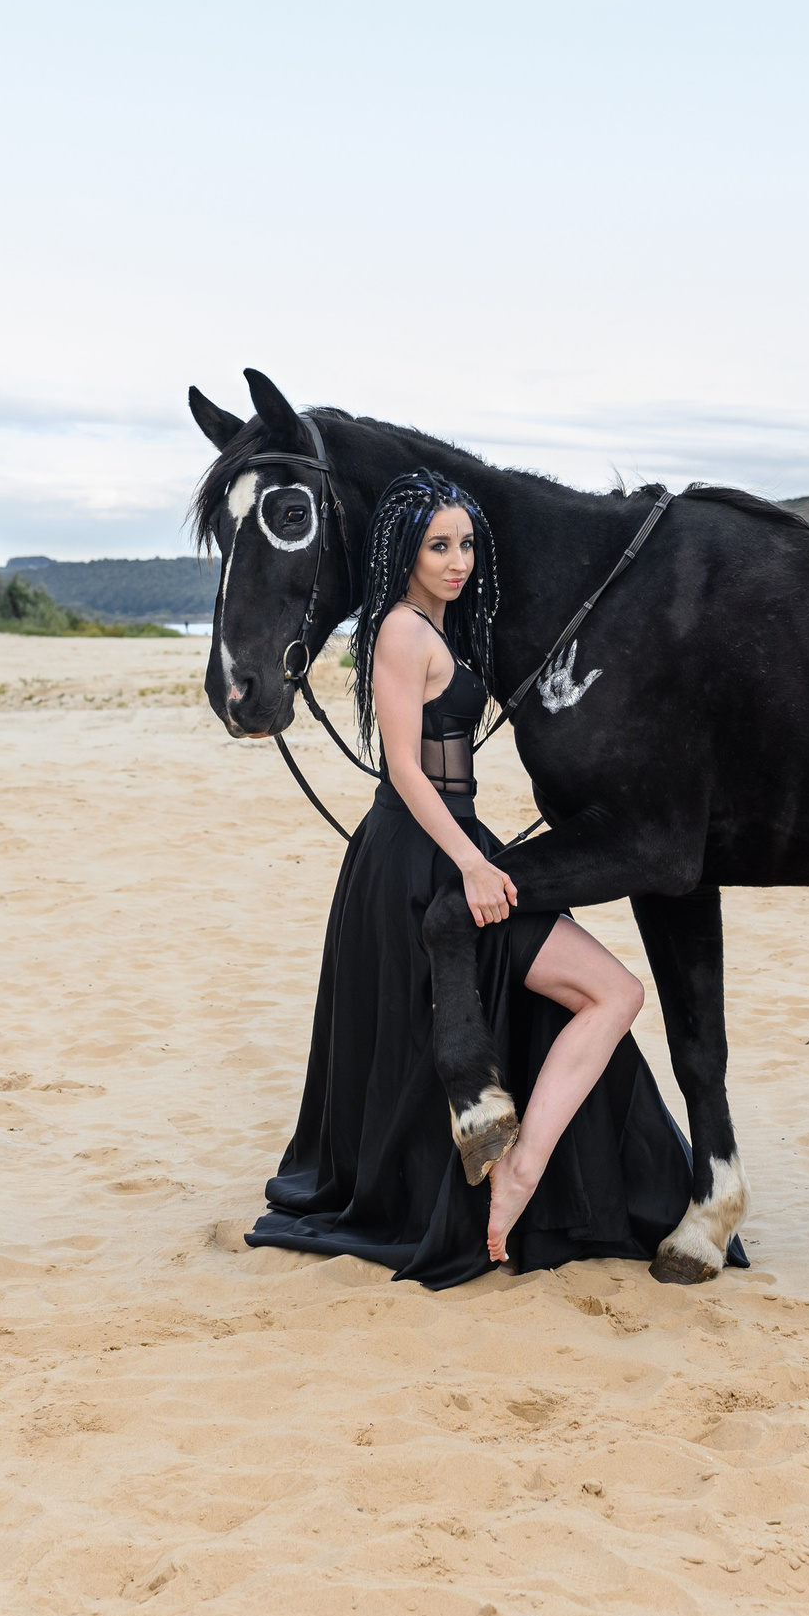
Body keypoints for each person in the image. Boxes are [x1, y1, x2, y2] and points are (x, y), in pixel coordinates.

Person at [245, 471, 742, 1287]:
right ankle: (521, 1169)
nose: (457, 560)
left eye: (466, 544)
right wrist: (474, 861)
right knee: (615, 991)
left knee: (611, 993)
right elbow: (404, 767)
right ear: (403, 552)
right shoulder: (403, 632)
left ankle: (517, 1158)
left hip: (449, 838)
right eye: (438, 546)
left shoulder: (442, 628)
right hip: (420, 851)